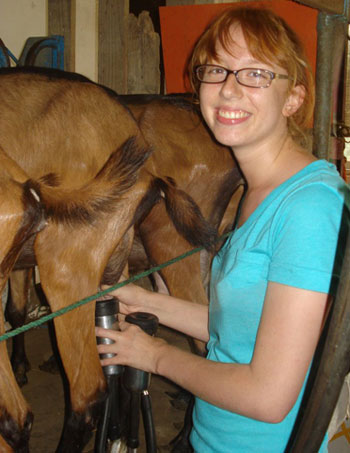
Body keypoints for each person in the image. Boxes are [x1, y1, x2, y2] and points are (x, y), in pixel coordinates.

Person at [95, 6, 350, 452]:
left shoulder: (308, 209)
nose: (229, 89)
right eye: (217, 70)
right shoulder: (260, 193)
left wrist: (154, 355)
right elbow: (241, 330)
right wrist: (147, 301)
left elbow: (267, 396)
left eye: (255, 74)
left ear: (293, 99)